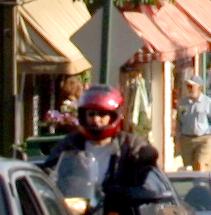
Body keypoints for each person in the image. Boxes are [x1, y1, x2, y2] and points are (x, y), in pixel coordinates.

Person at [40, 85, 170, 215]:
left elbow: (151, 185)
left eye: (102, 114)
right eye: (91, 114)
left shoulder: (132, 146)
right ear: (83, 116)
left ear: (114, 116)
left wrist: (122, 193)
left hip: (121, 210)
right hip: (78, 211)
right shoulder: (70, 144)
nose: (95, 120)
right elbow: (49, 171)